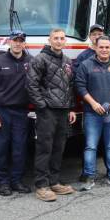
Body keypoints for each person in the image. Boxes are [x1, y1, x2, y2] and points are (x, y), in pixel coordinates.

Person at [27, 28, 77, 202]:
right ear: (49, 40)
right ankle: (41, 185)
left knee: (58, 147)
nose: (58, 41)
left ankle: (54, 182)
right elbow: (31, 85)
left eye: (62, 38)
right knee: (44, 148)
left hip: (63, 111)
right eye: (55, 38)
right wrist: (42, 106)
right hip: (47, 111)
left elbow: (70, 87)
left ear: (65, 41)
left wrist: (71, 108)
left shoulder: (67, 61)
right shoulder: (39, 59)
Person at [0, 30, 33, 196]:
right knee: (0, 149)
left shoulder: (31, 62)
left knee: (20, 149)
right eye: (15, 40)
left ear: (24, 43)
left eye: (21, 41)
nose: (17, 43)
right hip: (1, 112)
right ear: (9, 42)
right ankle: (3, 183)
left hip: (21, 112)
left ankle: (17, 181)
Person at [76, 35, 110, 190]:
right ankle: (88, 176)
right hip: (93, 113)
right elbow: (80, 86)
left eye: (107, 47)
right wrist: (93, 104)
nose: (104, 50)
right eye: (101, 47)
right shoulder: (85, 65)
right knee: (91, 146)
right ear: (95, 47)